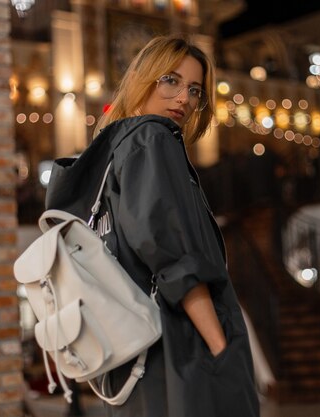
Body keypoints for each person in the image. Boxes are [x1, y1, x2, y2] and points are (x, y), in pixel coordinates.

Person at [45, 35, 260, 417]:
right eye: (171, 81)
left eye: (194, 89)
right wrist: (221, 348)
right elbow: (173, 255)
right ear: (144, 79)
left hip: (133, 361)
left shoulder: (112, 153)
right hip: (180, 354)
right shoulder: (152, 139)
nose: (184, 99)